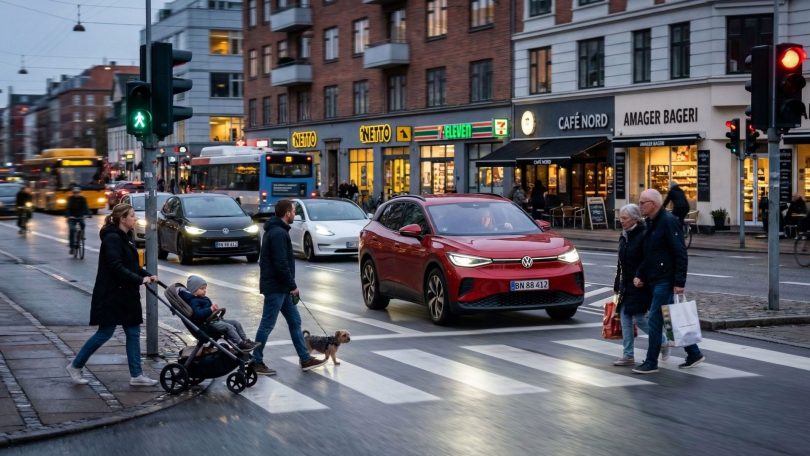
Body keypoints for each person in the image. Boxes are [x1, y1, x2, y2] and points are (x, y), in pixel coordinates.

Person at [66, 204, 160, 386]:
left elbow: (131, 266)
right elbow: (116, 267)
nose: (135, 218)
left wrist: (147, 275)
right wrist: (139, 280)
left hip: (125, 295)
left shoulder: (125, 237)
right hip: (112, 295)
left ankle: (136, 375)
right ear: (122, 219)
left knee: (133, 332)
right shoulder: (112, 239)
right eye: (132, 215)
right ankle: (75, 365)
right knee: (105, 333)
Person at [632, 189, 705, 374]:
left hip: (665, 279)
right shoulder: (650, 222)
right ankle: (694, 353)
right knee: (671, 318)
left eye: (643, 202)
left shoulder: (668, 221)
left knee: (655, 319)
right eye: (640, 202)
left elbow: (680, 253)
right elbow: (650, 253)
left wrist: (680, 282)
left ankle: (651, 362)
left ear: (654, 204)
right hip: (655, 278)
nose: (640, 205)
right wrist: (640, 274)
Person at [253, 199, 327, 375]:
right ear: (287, 213)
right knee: (267, 325)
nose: (295, 214)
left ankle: (305, 358)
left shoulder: (277, 230)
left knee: (295, 321)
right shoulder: (278, 233)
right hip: (276, 287)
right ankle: (256, 361)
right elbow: (280, 263)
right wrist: (292, 286)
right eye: (293, 211)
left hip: (282, 287)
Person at [611, 204, 669, 366]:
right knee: (625, 316)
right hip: (626, 283)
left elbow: (648, 259)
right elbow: (620, 262)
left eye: (625, 218)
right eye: (620, 218)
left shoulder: (643, 234)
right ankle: (628, 355)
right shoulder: (624, 235)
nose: (621, 221)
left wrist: (641, 276)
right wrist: (617, 283)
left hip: (640, 284)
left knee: (639, 318)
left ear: (635, 219)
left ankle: (663, 340)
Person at [179, 275, 259, 352]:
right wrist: (210, 309)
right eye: (202, 288)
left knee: (236, 323)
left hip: (215, 320)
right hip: (208, 324)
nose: (204, 290)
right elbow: (198, 314)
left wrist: (214, 310)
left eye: (205, 288)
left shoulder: (202, 298)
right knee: (228, 327)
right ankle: (240, 343)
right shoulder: (194, 301)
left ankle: (245, 341)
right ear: (194, 291)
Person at [66, 186, 90, 255]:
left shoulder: (83, 199)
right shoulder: (70, 199)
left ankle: (81, 235)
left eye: (77, 193)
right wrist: (69, 215)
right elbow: (67, 208)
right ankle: (72, 247)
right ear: (73, 193)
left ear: (79, 193)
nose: (76, 194)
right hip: (72, 217)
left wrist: (88, 214)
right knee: (72, 229)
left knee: (83, 224)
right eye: (75, 193)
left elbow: (86, 207)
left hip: (80, 216)